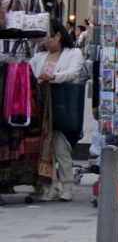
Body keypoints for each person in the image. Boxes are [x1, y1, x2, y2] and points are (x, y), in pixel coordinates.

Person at [31, 20, 86, 201]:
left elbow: (72, 73)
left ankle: (67, 185)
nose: (44, 42)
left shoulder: (73, 53)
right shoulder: (38, 57)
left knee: (61, 148)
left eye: (47, 37)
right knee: (45, 149)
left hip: (63, 105)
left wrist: (53, 76)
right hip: (43, 107)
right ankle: (50, 184)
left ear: (58, 35)